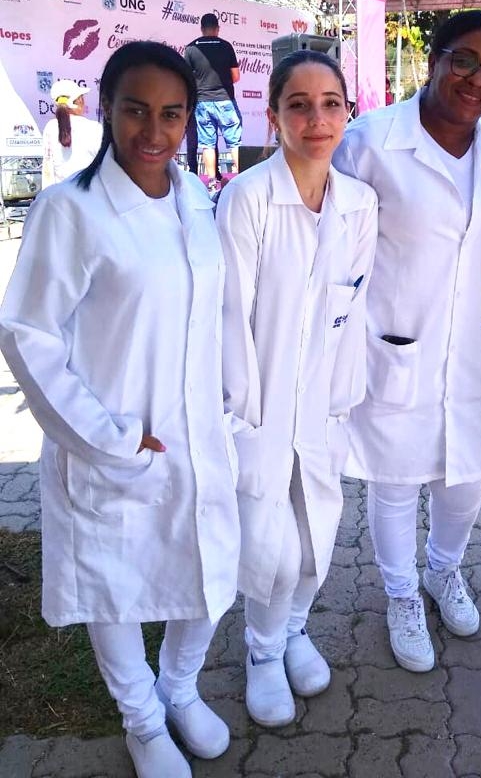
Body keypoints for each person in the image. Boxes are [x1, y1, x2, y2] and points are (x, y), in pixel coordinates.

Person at [0, 41, 240, 778]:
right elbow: (27, 334)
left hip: (196, 430)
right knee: (116, 581)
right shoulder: (70, 210)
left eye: (172, 114)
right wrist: (109, 438)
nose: (154, 131)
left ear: (190, 119)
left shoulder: (196, 199)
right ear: (105, 107)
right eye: (136, 110)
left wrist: (229, 398)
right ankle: (141, 719)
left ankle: (179, 689)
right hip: (115, 434)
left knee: (209, 565)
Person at [333, 10, 481, 672]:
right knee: (395, 478)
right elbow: (337, 240)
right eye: (463, 60)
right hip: (393, 340)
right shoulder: (371, 140)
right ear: (434, 60)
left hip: (465, 345)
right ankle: (401, 595)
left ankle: (444, 571)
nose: (477, 79)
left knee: (465, 476)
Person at [216, 50, 378, 726]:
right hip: (256, 403)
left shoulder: (359, 204)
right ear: (274, 115)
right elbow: (231, 318)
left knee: (316, 538)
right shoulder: (248, 198)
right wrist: (245, 417)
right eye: (299, 105)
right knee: (271, 546)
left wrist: (341, 402)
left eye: (331, 104)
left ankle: (293, 630)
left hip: (322, 403)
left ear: (347, 113)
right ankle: (261, 650)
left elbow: (352, 309)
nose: (317, 119)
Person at [184, 13, 242, 190]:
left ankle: (211, 183)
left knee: (207, 144)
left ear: (202, 29)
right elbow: (236, 76)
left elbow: (186, 78)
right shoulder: (226, 46)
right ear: (217, 28)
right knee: (234, 142)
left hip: (202, 102)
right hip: (225, 100)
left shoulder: (191, 48)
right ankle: (242, 178)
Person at [41, 79, 102, 187]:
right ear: (79, 100)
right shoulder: (94, 127)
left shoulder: (50, 127)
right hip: (88, 192)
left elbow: (47, 169)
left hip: (59, 193)